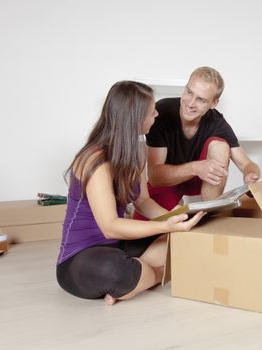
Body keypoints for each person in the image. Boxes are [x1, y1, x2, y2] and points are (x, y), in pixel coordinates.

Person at [56, 81, 205, 305]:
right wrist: (165, 226)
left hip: (117, 245)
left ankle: (134, 280)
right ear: (135, 118)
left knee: (177, 239)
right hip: (81, 257)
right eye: (151, 111)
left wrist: (174, 220)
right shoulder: (93, 160)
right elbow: (110, 227)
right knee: (114, 270)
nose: (156, 114)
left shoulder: (135, 153)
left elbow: (143, 200)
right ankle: (150, 275)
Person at [134, 66, 261, 218]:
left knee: (220, 145)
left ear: (214, 103)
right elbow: (155, 177)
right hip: (167, 180)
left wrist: (251, 175)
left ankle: (208, 215)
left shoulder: (217, 122)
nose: (190, 103)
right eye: (189, 92)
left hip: (201, 180)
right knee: (147, 229)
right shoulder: (160, 113)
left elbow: (246, 164)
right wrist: (195, 168)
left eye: (201, 100)